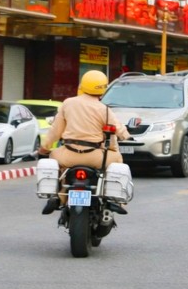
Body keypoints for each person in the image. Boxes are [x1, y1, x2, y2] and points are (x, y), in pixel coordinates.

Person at [38, 70, 131, 215]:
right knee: (117, 159)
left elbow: (55, 131)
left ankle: (59, 197)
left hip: (68, 155)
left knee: (57, 163)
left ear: (83, 84)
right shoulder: (104, 109)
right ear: (103, 88)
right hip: (96, 158)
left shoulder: (68, 103)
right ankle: (116, 200)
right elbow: (118, 129)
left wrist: (44, 148)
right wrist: (127, 136)